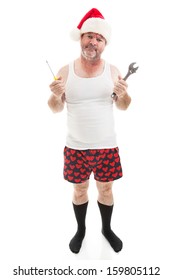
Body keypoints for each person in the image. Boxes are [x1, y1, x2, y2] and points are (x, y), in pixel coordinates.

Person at [48, 8, 131, 254]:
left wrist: (124, 94)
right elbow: (54, 108)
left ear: (104, 43)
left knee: (106, 189)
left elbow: (124, 106)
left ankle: (106, 228)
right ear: (81, 38)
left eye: (99, 38)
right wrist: (55, 96)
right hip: (76, 148)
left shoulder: (113, 71)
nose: (93, 41)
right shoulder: (65, 71)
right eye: (89, 36)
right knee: (79, 189)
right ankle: (81, 230)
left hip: (106, 146)